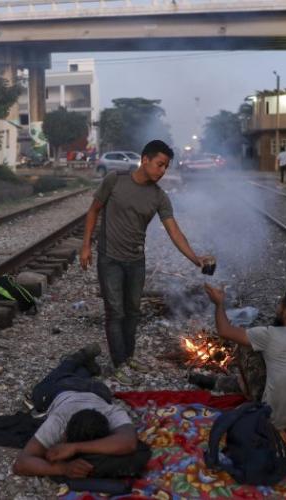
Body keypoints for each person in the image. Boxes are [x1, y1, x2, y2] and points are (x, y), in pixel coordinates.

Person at [79, 139, 214, 386]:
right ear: (145, 160)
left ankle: (128, 358)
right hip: (110, 258)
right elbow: (93, 210)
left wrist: (195, 259)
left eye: (166, 167)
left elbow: (174, 231)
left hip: (136, 260)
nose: (162, 171)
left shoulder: (159, 197)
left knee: (132, 312)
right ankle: (118, 364)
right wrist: (86, 246)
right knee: (115, 311)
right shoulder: (115, 180)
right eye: (159, 165)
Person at [191, 284, 286, 430]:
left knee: (245, 345)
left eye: (281, 303)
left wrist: (219, 303)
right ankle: (231, 384)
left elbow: (224, 330)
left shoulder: (270, 335)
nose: (277, 306)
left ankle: (245, 392)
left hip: (272, 419)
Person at [13, 344, 138, 479]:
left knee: (65, 378)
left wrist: (74, 449)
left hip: (95, 389)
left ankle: (83, 365)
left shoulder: (110, 413)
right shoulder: (61, 419)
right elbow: (20, 465)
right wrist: (64, 468)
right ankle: (75, 360)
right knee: (43, 388)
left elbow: (129, 443)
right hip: (76, 389)